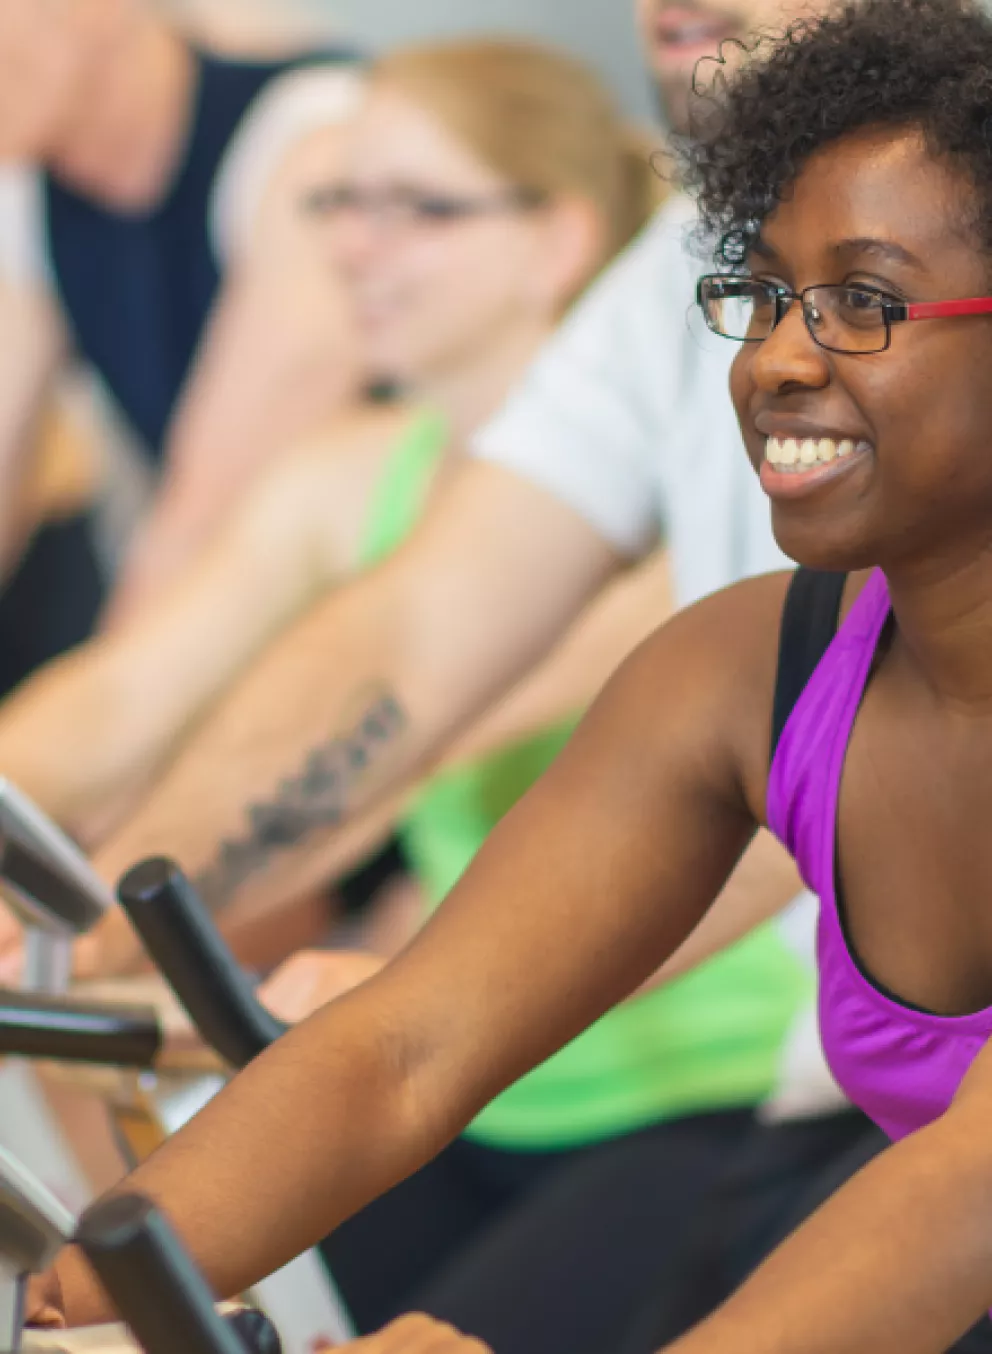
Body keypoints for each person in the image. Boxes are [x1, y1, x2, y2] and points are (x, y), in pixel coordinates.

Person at [26, 3, 992, 1352]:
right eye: (763, 296)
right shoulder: (743, 667)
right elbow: (404, 1046)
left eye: (863, 303)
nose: (776, 357)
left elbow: (968, 1195)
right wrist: (69, 1308)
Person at [0, 0, 362, 692]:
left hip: (353, 644)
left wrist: (73, 741)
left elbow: (202, 528)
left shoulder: (311, 141)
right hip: (195, 638)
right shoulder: (27, 181)